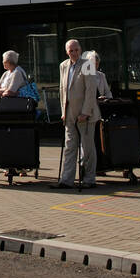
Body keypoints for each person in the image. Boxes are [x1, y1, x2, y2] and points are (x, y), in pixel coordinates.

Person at [56, 39, 100, 188]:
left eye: (76, 50)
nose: (74, 53)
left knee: (87, 148)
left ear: (80, 50)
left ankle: (89, 179)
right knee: (70, 147)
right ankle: (66, 180)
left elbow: (91, 90)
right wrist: (63, 111)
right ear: (67, 52)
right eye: (71, 50)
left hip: (85, 113)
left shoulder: (87, 64)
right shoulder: (63, 65)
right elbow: (62, 90)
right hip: (69, 113)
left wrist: (86, 112)